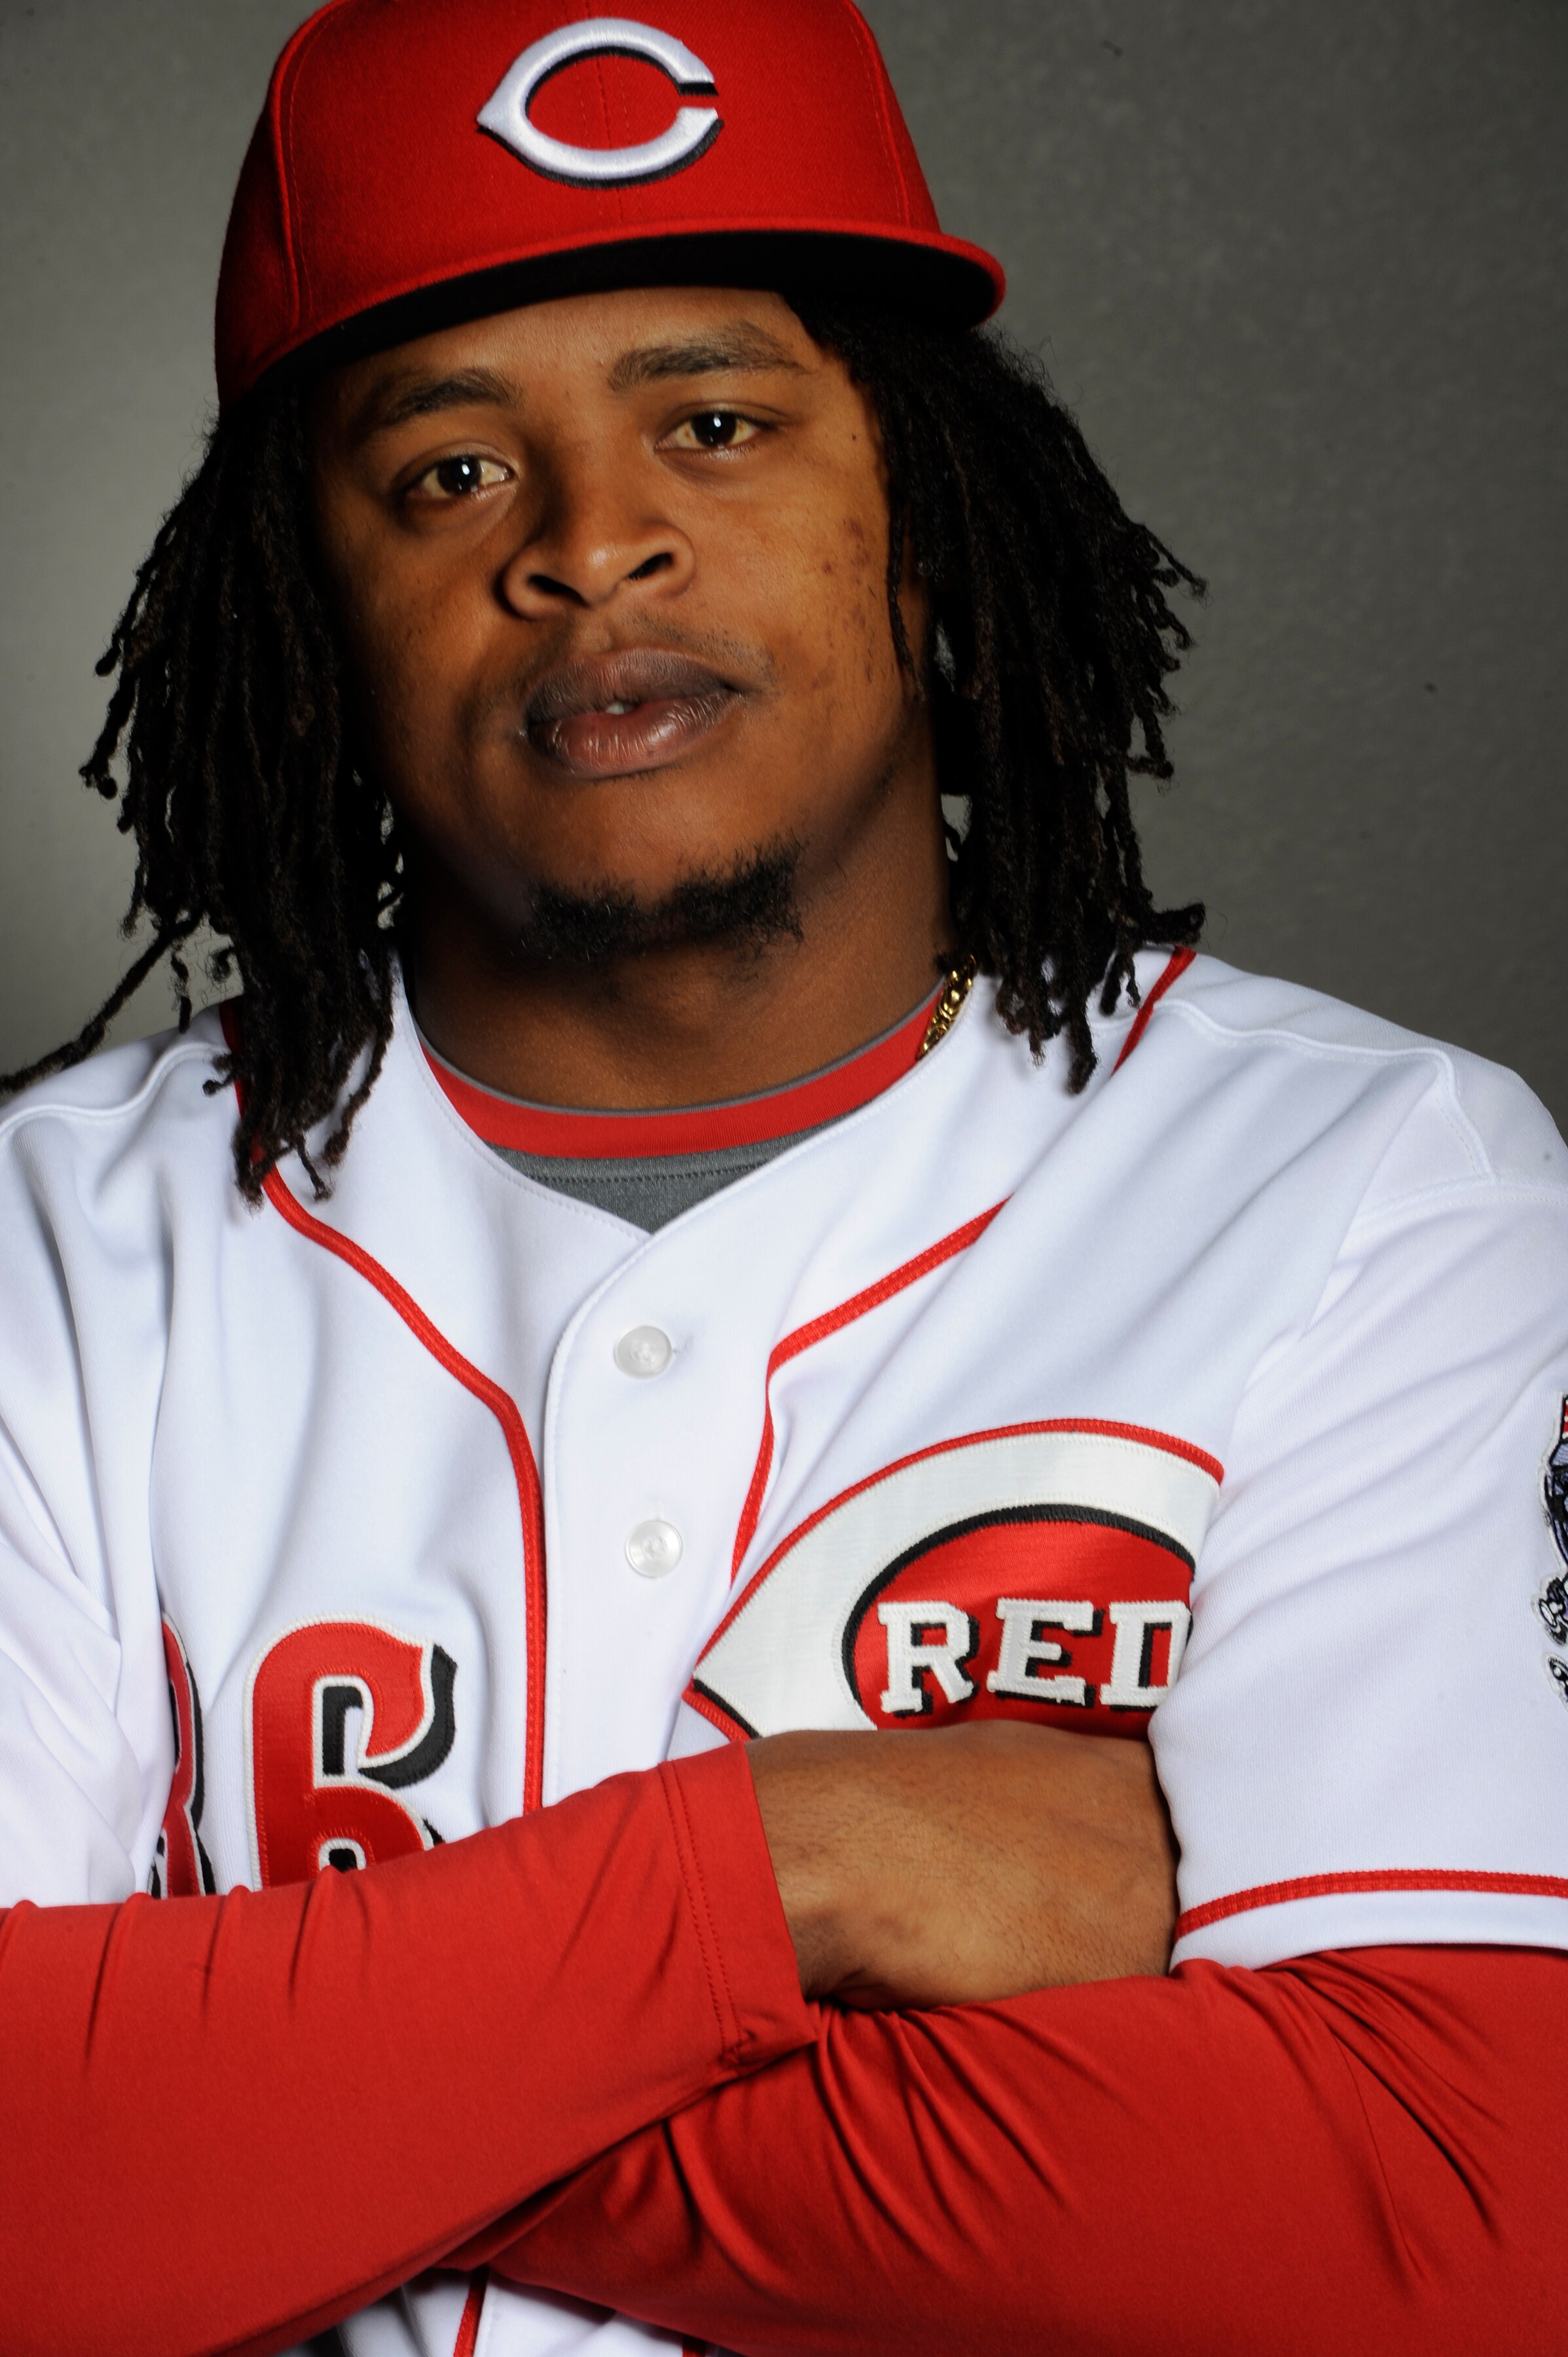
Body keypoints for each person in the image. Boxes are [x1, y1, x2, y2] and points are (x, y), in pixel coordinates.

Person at [1, 3, 1565, 2352]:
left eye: (713, 422)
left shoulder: (1368, 1187)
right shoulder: (55, 1242)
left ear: (926, 518)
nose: (591, 542)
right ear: (304, 621)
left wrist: (254, 2115)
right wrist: (784, 1869)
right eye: (443, 473)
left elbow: (1447, 2219)